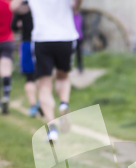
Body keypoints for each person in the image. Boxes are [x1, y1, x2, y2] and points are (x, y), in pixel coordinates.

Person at [11, 0, 83, 142]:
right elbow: (76, 5)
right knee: (63, 77)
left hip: (42, 38)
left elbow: (14, 6)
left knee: (44, 85)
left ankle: (52, 129)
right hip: (66, 37)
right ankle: (64, 104)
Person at [11, 1, 41, 117]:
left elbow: (13, 26)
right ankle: (42, 101)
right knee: (42, 76)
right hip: (40, 43)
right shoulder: (41, 5)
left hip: (27, 43)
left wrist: (21, 27)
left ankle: (33, 106)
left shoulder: (22, 7)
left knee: (29, 77)